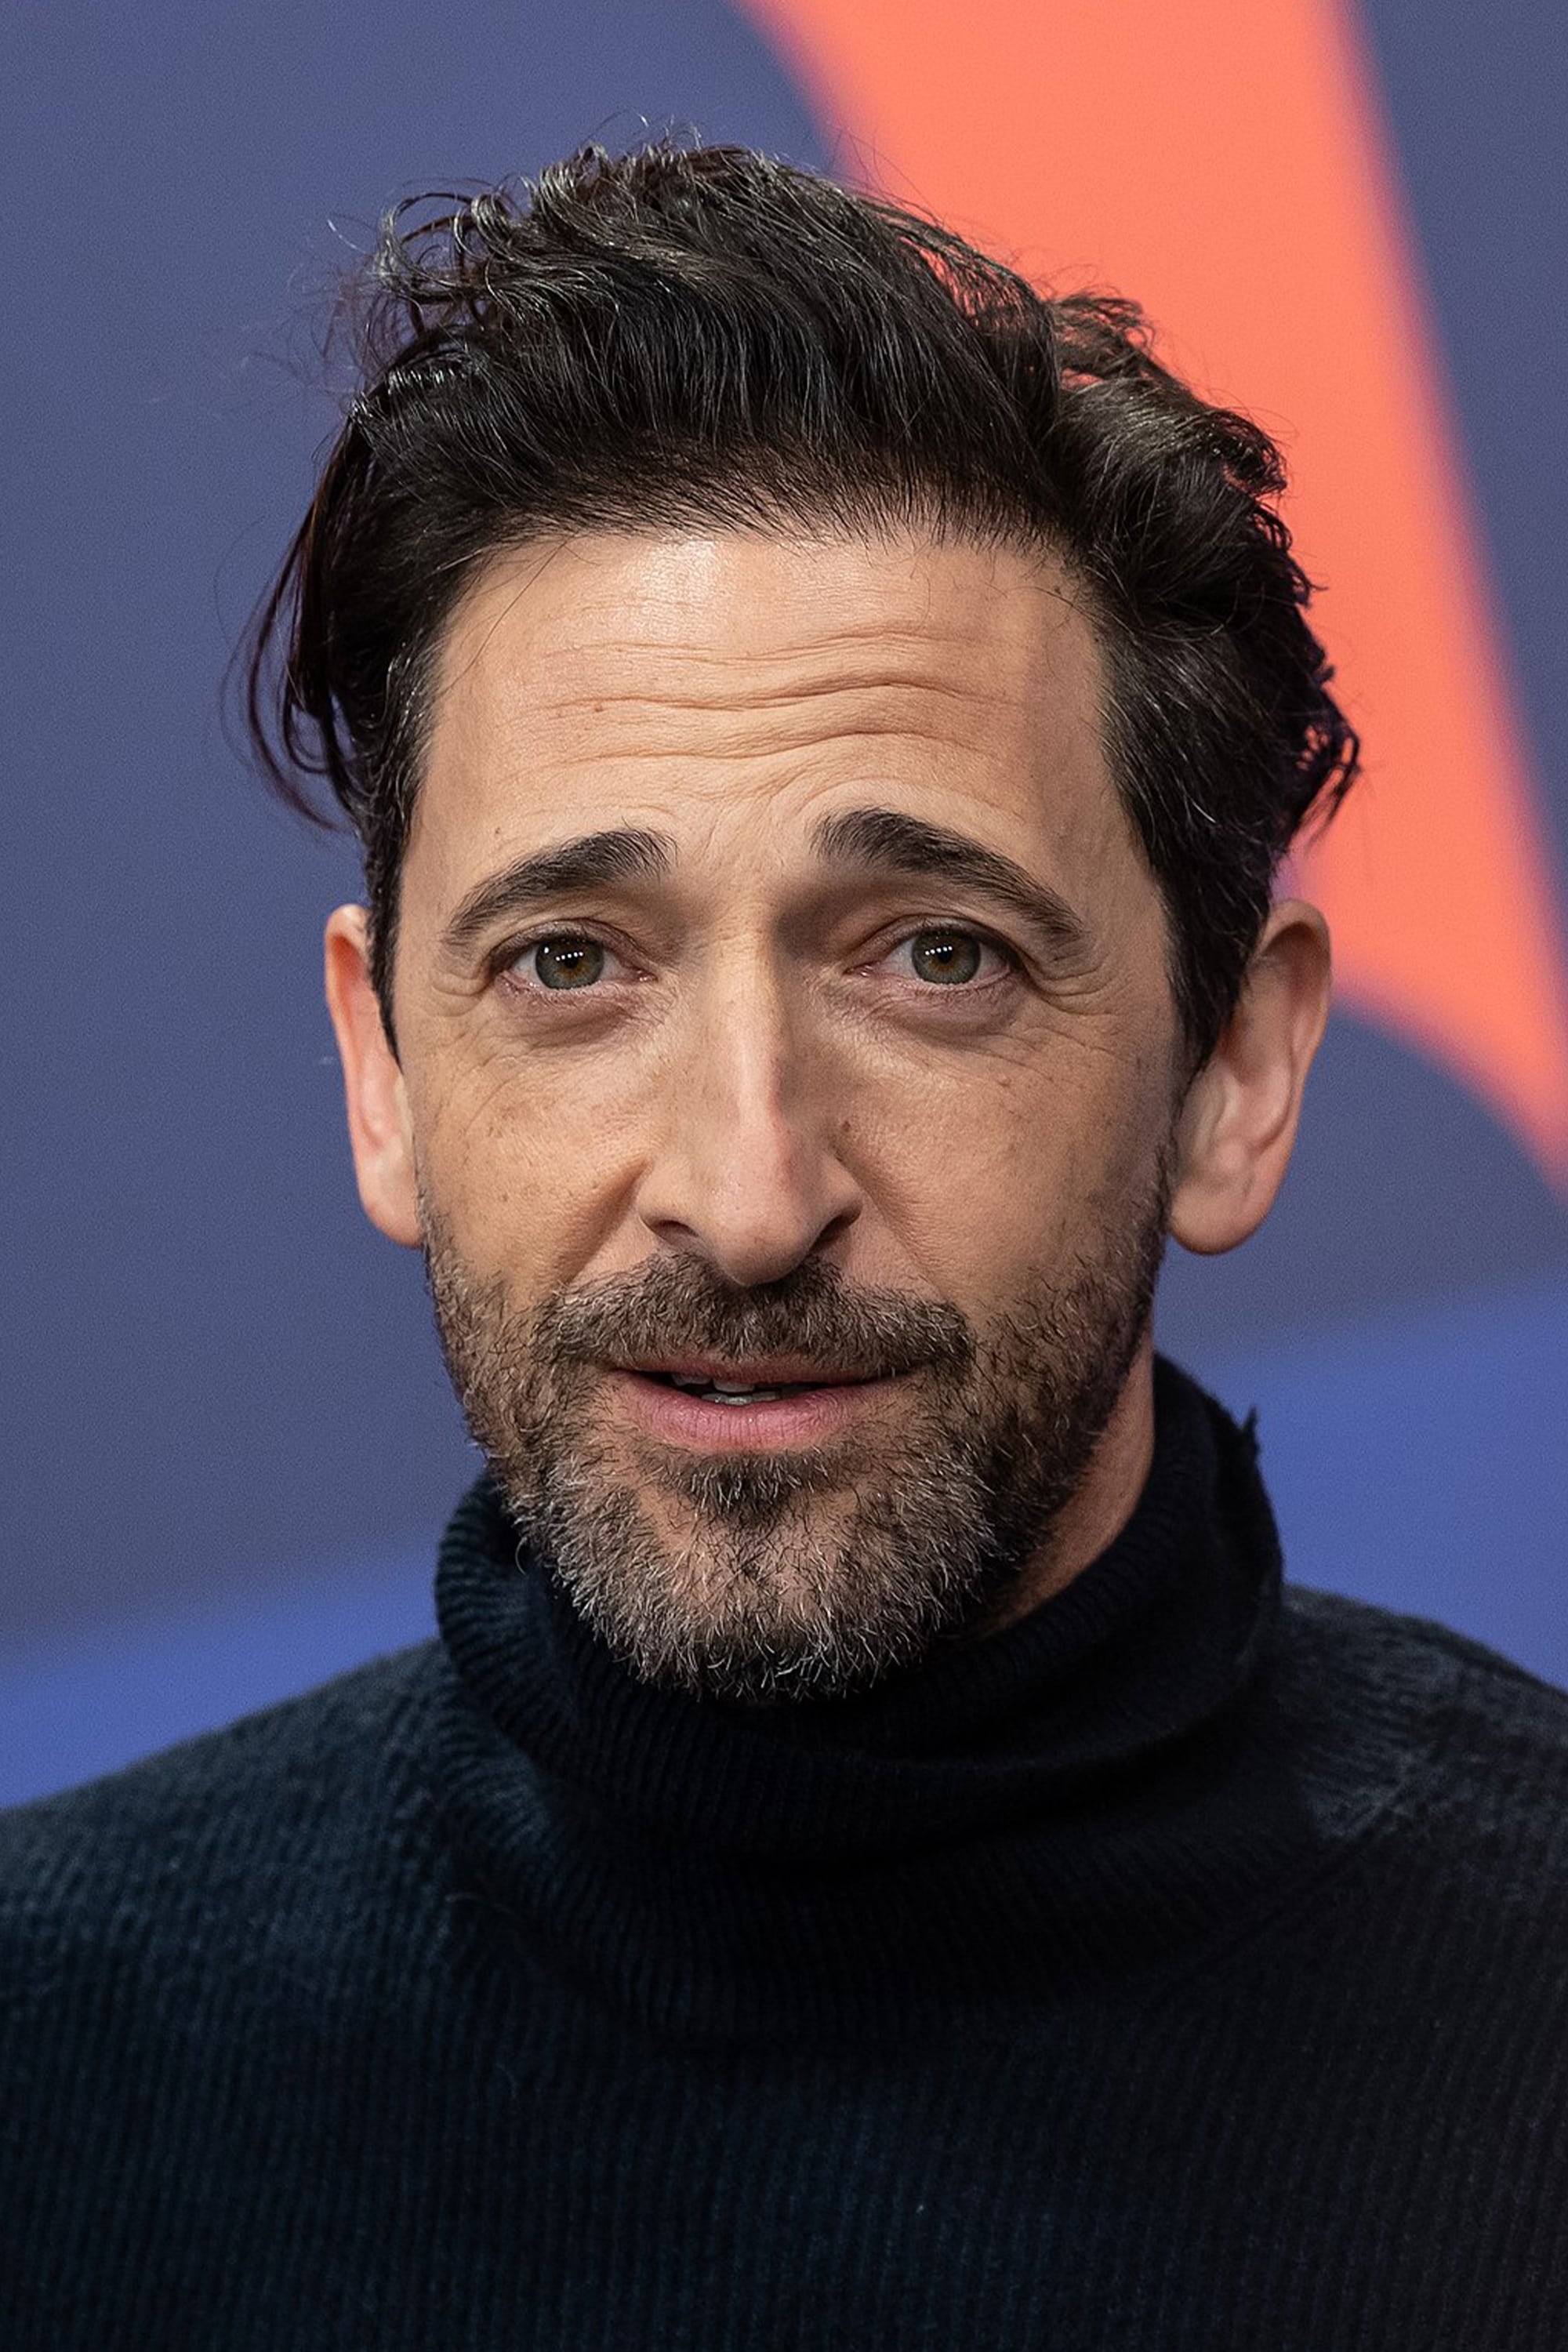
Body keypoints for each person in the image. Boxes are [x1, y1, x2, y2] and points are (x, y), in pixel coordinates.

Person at [3, 140, 1566, 2350]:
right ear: (383, 1071)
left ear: (1235, 1067)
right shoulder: (52, 2075)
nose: (746, 1198)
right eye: (571, 963)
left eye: (934, 957)